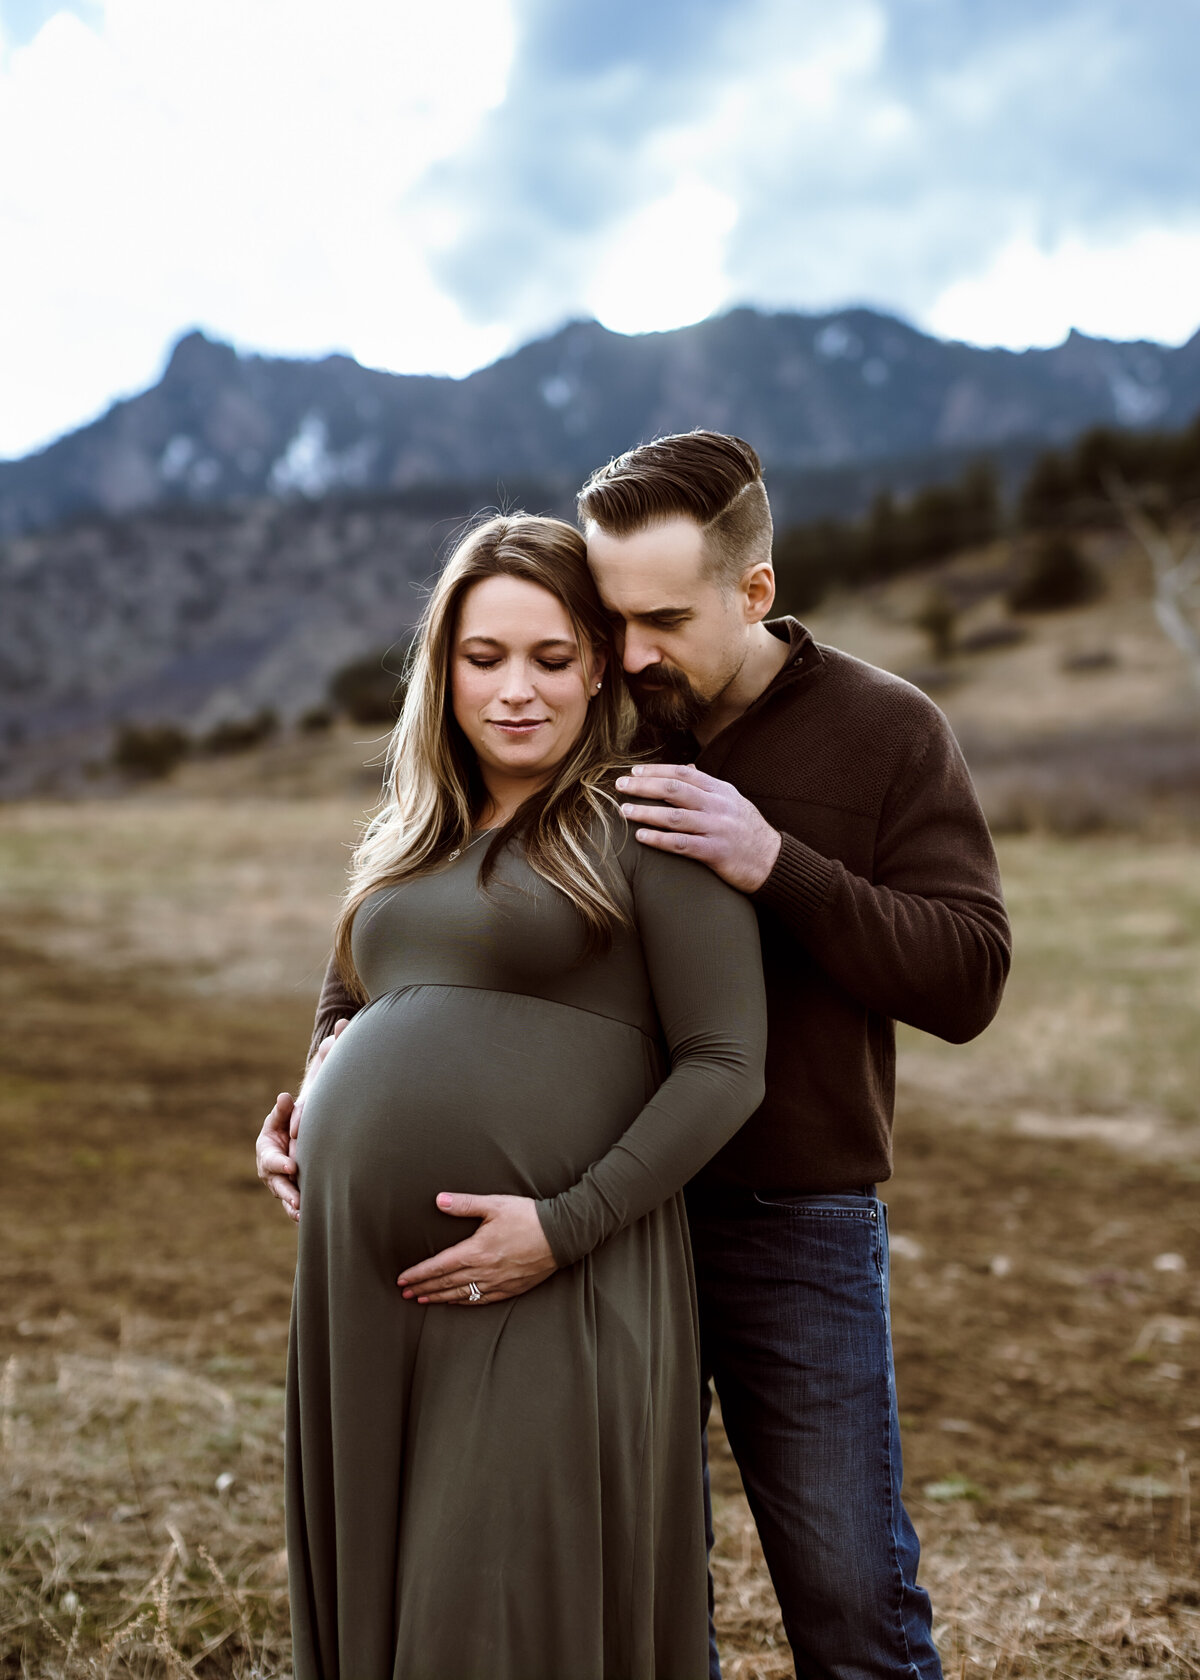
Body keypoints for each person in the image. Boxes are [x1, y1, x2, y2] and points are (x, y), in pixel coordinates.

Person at [260, 433, 1012, 1679]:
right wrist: (329, 1081)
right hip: (587, 1223)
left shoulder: (882, 729)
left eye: (656, 620)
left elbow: (970, 975)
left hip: (783, 1211)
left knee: (844, 1590)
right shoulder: (599, 730)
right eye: (607, 620)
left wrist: (778, 865)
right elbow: (409, 936)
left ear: (755, 590)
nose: (629, 654)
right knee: (633, 1572)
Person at [276, 511, 767, 1680]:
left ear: (600, 664)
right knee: (392, 1588)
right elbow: (350, 1002)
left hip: (557, 1276)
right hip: (366, 1291)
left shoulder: (651, 818)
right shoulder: (410, 837)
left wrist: (562, 1228)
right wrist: (305, 1106)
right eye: (483, 657)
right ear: (442, 668)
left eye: (551, 658)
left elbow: (727, 1065)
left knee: (492, 1608)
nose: (516, 692)